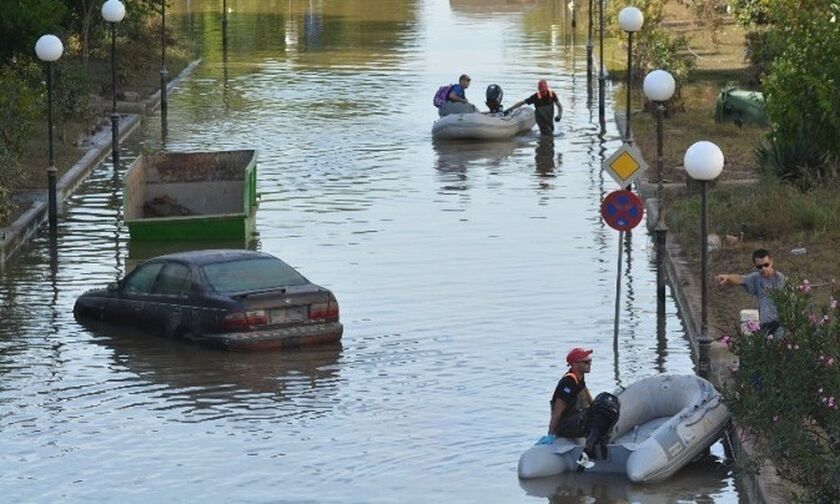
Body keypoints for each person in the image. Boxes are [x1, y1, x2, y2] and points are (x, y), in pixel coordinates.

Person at [715, 248, 786, 335]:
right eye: (759, 267)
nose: (763, 268)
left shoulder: (781, 279)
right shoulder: (756, 278)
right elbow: (741, 279)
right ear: (755, 265)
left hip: (781, 325)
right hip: (765, 325)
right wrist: (727, 277)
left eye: (766, 265)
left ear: (771, 262)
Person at [539, 347, 594, 443]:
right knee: (596, 422)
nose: (589, 364)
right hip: (565, 425)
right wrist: (550, 434)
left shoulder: (579, 377)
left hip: (576, 417)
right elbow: (557, 411)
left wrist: (597, 409)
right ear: (574, 365)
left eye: (590, 361)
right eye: (585, 362)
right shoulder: (568, 383)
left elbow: (589, 400)